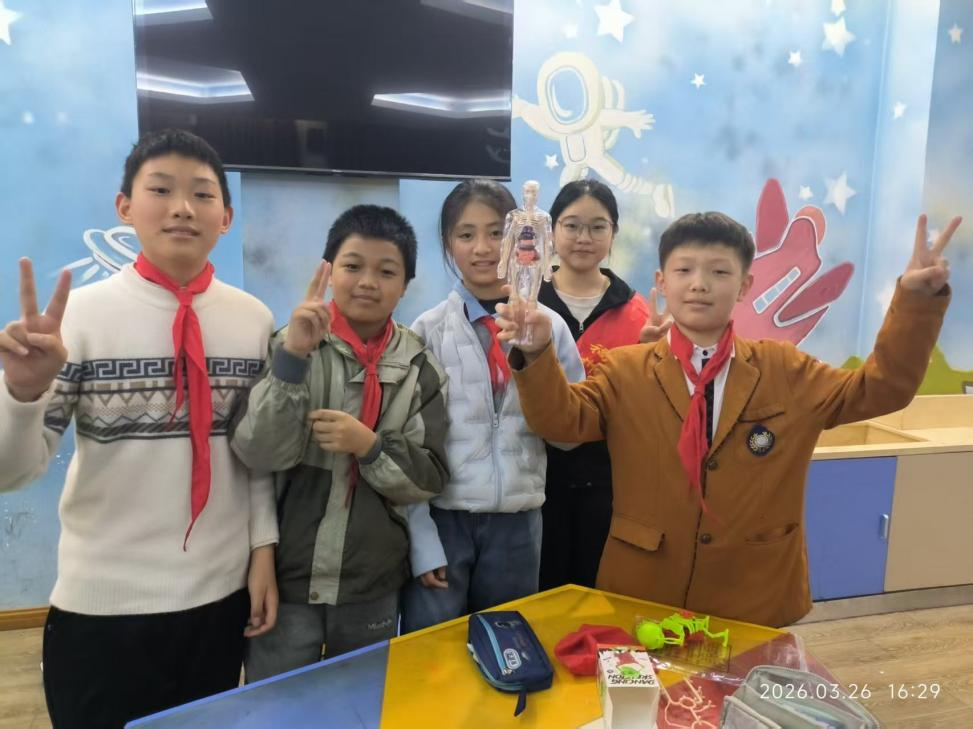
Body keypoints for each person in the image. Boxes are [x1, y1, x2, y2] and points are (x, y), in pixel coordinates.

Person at [498, 210, 960, 627]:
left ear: (744, 286)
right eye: (684, 270)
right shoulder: (625, 370)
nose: (699, 284)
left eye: (719, 272)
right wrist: (537, 354)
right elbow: (562, 422)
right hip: (644, 589)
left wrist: (916, 302)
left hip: (753, 591)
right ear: (662, 281)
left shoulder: (785, 369)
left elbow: (881, 388)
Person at [0, 128, 279, 728]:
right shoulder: (78, 318)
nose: (183, 208)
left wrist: (263, 550)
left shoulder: (253, 321)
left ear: (226, 217)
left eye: (202, 194)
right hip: (101, 607)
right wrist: (20, 394)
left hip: (219, 601)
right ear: (125, 207)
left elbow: (252, 455)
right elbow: (11, 474)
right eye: (161, 190)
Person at [230, 205, 449, 679]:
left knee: (361, 701)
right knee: (278, 702)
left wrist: (370, 447)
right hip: (290, 575)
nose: (368, 282)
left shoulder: (419, 367)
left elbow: (429, 476)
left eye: (386, 271)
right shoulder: (289, 344)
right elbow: (257, 453)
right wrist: (294, 358)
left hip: (372, 580)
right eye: (353, 266)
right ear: (329, 271)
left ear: (406, 284)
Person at [399, 179, 584, 634]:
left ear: (520, 239)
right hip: (443, 519)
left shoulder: (551, 327)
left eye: (496, 233)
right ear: (448, 243)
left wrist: (538, 356)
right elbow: (406, 443)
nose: (481, 248)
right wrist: (421, 539)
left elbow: (568, 433)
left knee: (509, 652)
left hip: (518, 525)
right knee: (433, 652)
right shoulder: (426, 330)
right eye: (466, 234)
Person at [536, 179, 669, 589]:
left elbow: (648, 406)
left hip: (609, 481)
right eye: (572, 225)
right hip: (536, 477)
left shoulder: (637, 312)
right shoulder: (527, 304)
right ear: (552, 231)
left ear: (613, 234)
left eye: (598, 227)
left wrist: (653, 357)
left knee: (600, 589)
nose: (584, 238)